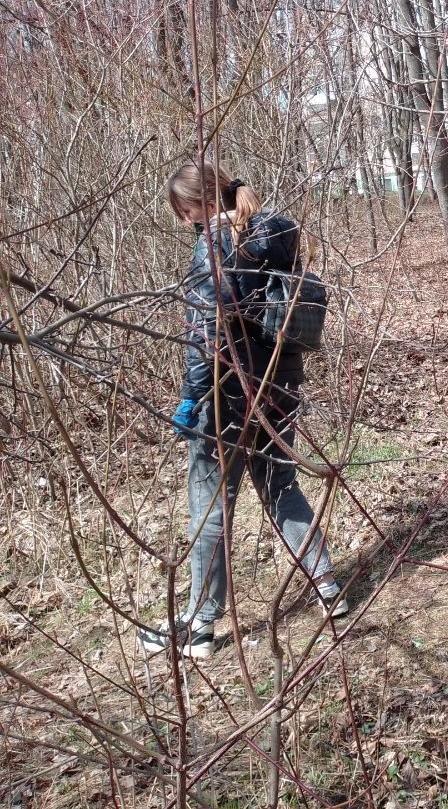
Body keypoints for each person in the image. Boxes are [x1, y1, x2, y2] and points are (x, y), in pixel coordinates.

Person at [138, 164, 347, 660]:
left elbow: (207, 334)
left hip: (226, 393)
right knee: (280, 484)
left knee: (210, 504)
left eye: (186, 209)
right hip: (279, 383)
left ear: (203, 201)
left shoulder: (216, 244)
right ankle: (328, 587)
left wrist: (192, 396)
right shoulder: (276, 228)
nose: (187, 219)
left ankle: (200, 625)